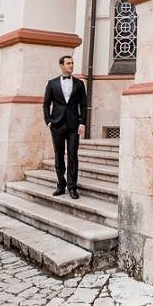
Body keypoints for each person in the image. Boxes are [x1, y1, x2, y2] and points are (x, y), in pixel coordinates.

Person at [42, 54, 87, 199]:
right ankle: (61, 185)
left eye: (72, 63)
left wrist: (82, 123)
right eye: (68, 63)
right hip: (57, 125)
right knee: (58, 155)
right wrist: (48, 120)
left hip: (74, 125)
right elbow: (46, 103)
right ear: (61, 65)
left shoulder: (79, 84)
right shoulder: (52, 83)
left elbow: (84, 105)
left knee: (73, 155)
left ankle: (72, 187)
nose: (71, 65)